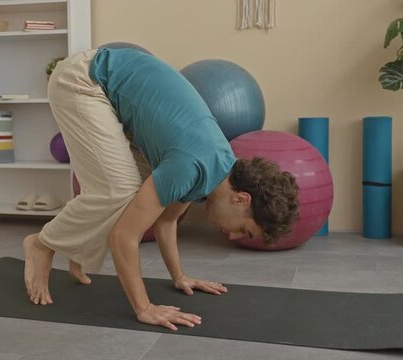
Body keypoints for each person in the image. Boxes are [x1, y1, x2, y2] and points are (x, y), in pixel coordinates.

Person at [23, 47, 299, 331]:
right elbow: (123, 236)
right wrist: (144, 307)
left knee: (134, 200)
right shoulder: (191, 165)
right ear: (241, 199)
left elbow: (167, 220)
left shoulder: (218, 166)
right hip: (83, 79)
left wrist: (179, 276)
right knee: (120, 193)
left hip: (110, 87)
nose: (232, 235)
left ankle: (75, 250)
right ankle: (41, 244)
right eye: (244, 229)